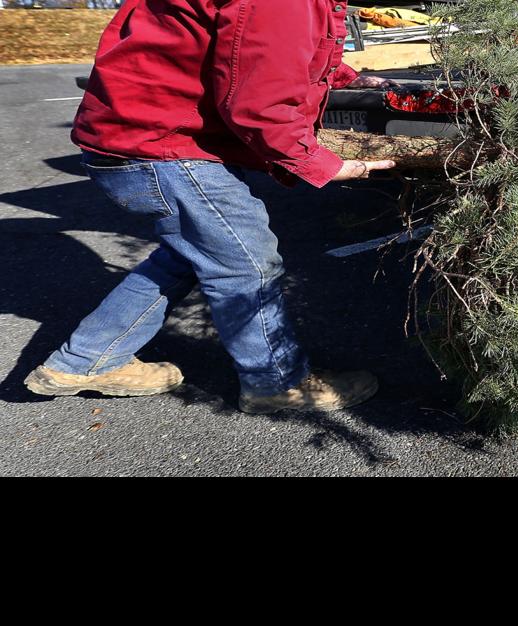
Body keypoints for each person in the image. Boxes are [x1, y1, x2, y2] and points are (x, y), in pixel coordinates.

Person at [25, 0, 401, 413]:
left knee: (189, 254)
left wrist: (351, 77)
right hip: (165, 146)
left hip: (137, 135)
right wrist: (324, 164)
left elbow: (259, 49)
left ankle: (83, 361)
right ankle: (276, 383)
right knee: (247, 264)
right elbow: (261, 102)